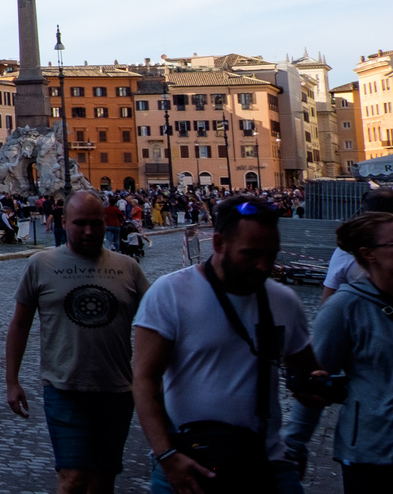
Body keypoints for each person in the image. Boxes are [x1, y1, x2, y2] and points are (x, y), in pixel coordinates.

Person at [132, 196, 327, 494]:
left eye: (271, 254)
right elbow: (144, 380)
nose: (264, 266)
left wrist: (316, 388)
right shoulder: (170, 293)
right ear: (219, 243)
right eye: (251, 254)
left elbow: (307, 374)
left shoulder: (284, 301)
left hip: (265, 461)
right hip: (187, 462)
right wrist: (167, 456)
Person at [4, 190, 150, 494]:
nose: (88, 231)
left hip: (117, 389)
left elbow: (153, 324)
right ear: (64, 222)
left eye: (96, 223)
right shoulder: (40, 264)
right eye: (80, 223)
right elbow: (20, 324)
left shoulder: (128, 268)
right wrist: (12, 381)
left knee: (103, 480)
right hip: (64, 389)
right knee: (73, 478)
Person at [310, 210, 393, 493]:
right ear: (368, 254)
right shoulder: (344, 308)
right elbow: (314, 383)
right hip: (373, 452)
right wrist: (294, 444)